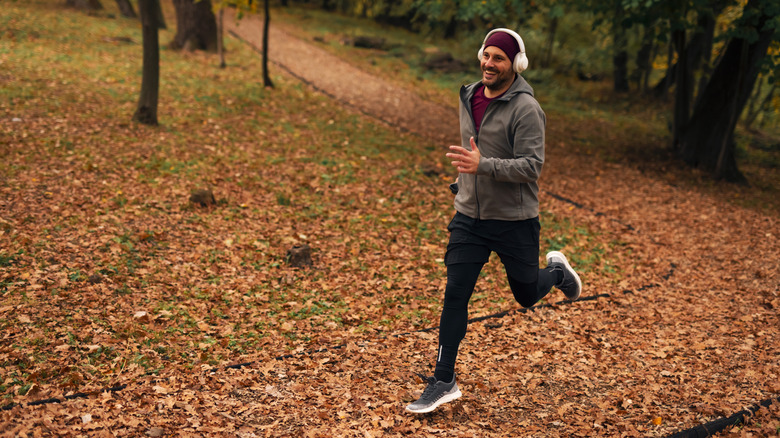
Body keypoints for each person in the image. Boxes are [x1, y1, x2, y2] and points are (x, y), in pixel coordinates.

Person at [406, 28, 582, 414]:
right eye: (486, 55)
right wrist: (466, 181)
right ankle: (444, 379)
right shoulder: (469, 95)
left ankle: (556, 273)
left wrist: (482, 166)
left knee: (524, 294)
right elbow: (474, 148)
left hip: (514, 220)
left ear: (514, 64)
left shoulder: (526, 109)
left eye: (498, 58)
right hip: (470, 216)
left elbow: (532, 167)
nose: (489, 63)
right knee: (456, 293)